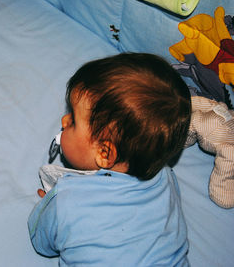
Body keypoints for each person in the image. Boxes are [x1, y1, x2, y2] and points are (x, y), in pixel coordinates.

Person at [28, 53, 191, 266]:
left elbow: (41, 243)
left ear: (104, 154)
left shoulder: (68, 202)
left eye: (74, 121)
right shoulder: (166, 177)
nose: (64, 120)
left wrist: (51, 210)